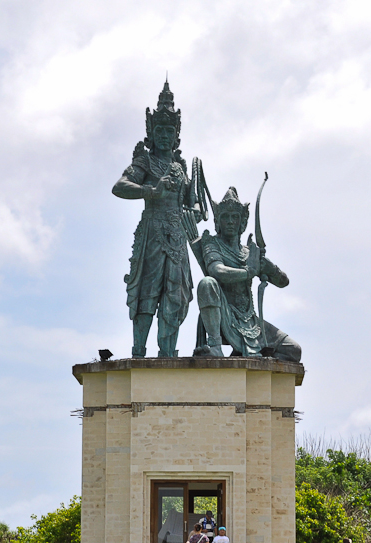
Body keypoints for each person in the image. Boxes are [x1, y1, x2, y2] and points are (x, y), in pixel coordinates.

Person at [112, 81, 200, 358]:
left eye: (169, 131)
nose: (164, 135)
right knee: (147, 291)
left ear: (176, 136)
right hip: (152, 230)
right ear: (152, 132)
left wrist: (194, 208)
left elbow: (191, 200)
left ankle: (167, 352)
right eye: (159, 130)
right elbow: (120, 187)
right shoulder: (145, 162)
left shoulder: (180, 166)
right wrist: (150, 190)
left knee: (175, 293)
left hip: (177, 234)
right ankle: (139, 350)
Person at [193, 187, 301, 361]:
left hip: (250, 320)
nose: (230, 221)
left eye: (234, 217)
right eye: (225, 217)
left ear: (242, 222)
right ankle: (215, 346)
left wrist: (266, 266)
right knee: (207, 283)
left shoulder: (248, 252)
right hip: (224, 315)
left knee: (293, 351)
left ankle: (246, 357)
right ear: (218, 221)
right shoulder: (211, 244)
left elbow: (283, 282)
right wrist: (248, 272)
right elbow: (217, 271)